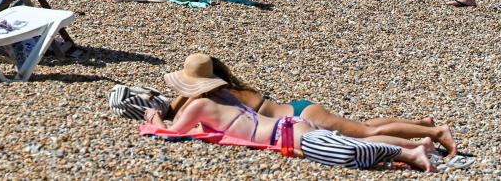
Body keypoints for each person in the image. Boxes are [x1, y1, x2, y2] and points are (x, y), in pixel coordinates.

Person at [143, 54, 435, 171]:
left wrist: (154, 117)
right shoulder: (222, 95)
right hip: (290, 126)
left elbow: (173, 132)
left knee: (349, 151)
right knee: (356, 137)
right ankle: (417, 144)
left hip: (290, 131)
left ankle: (414, 151)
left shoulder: (200, 104)